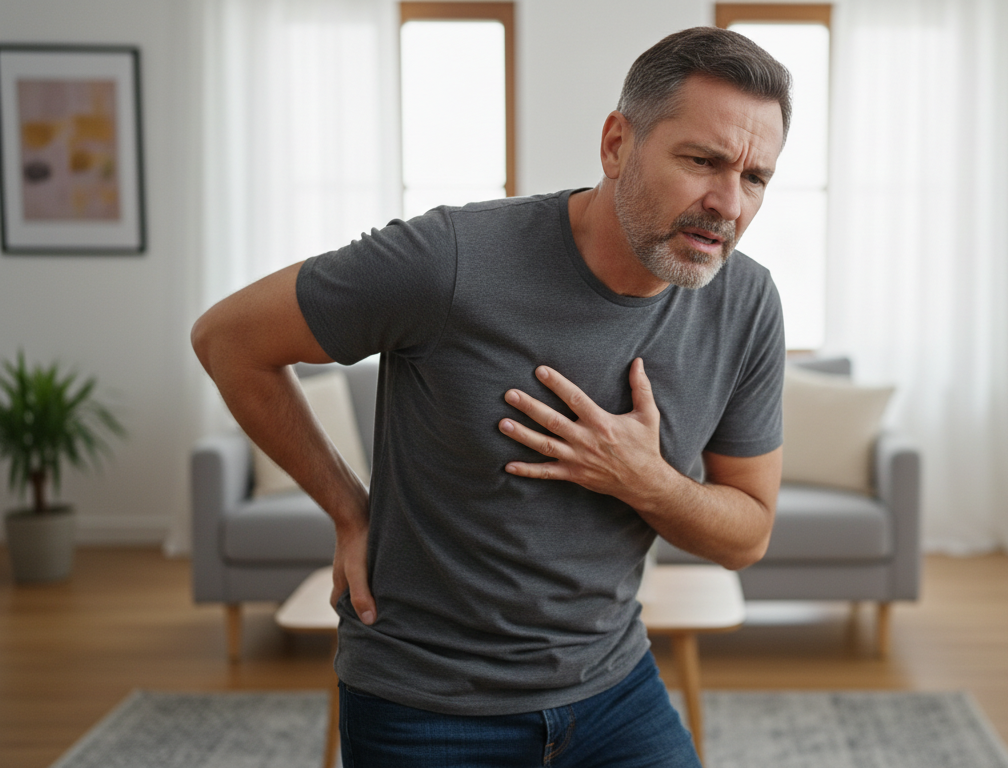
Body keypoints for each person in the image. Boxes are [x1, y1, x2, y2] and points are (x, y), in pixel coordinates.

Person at [192, 26, 791, 768]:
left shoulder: (748, 301)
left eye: (756, 177)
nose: (728, 202)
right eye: (702, 161)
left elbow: (747, 536)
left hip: (611, 685)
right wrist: (350, 509)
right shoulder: (450, 260)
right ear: (615, 145)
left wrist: (646, 480)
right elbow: (228, 341)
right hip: (426, 701)